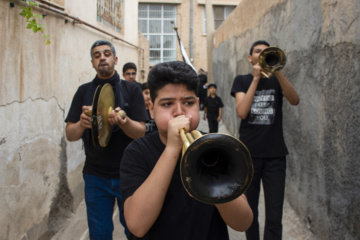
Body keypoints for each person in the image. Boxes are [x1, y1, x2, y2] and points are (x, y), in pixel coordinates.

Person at [120, 61, 253, 240]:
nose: (179, 112)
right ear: (151, 109)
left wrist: (213, 178)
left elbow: (243, 222)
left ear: (198, 104)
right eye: (167, 104)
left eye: (188, 102)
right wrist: (172, 149)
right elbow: (137, 225)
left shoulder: (216, 147)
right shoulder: (137, 152)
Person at [65, 40, 148, 239]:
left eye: (106, 53)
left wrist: (124, 121)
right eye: (97, 55)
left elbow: (141, 132)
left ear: (115, 59)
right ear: (92, 63)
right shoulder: (83, 91)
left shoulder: (132, 90)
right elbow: (70, 134)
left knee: (135, 230)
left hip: (129, 174)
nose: (102, 57)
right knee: (99, 234)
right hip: (95, 176)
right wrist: (81, 124)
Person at [230, 40, 300, 240]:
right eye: (257, 52)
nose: (262, 56)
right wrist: (255, 79)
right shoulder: (242, 80)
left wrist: (277, 70)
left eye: (266, 53)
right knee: (250, 211)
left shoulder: (277, 80)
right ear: (250, 58)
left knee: (274, 213)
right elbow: (242, 112)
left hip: (275, 156)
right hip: (249, 156)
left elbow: (295, 100)